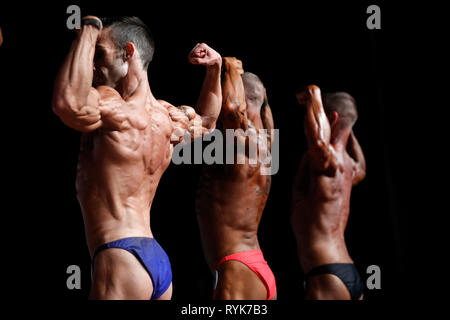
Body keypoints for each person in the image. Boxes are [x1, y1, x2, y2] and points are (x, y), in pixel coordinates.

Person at [52, 16, 222, 300]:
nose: (93, 64)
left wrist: (88, 30)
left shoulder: (111, 105)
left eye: (100, 52)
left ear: (128, 52)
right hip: (156, 261)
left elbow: (68, 103)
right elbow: (207, 121)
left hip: (118, 256)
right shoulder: (168, 118)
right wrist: (215, 69)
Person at [196, 57, 277, 300]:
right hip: (256, 266)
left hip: (237, 269)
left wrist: (228, 66)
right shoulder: (267, 143)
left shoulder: (242, 141)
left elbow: (231, 108)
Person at [290, 85, 366, 300]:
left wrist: (314, 95)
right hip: (349, 270)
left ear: (331, 118)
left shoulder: (327, 161)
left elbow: (318, 140)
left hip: (326, 275)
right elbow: (363, 166)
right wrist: (348, 126)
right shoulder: (352, 168)